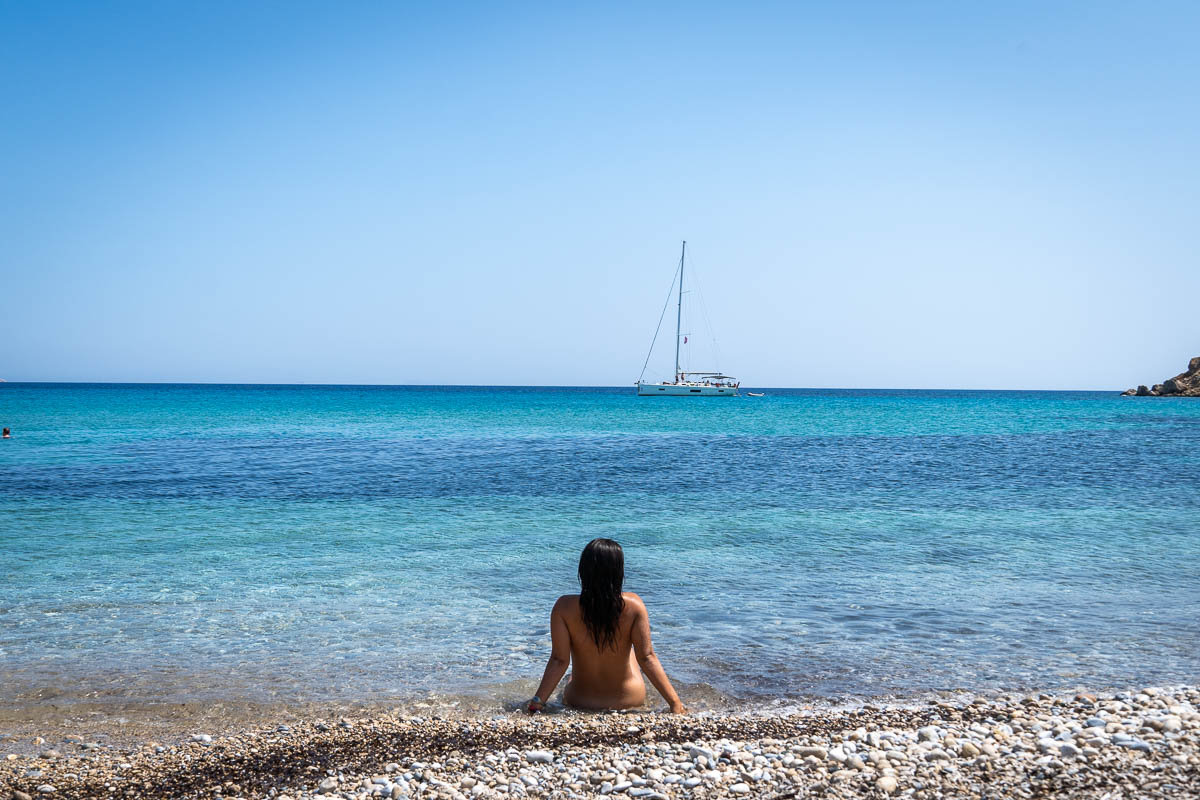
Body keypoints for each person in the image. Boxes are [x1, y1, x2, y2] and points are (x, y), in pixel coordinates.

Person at [527, 538, 686, 714]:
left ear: (583, 570)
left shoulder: (563, 607)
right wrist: (675, 703)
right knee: (633, 650)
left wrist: (537, 703)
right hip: (628, 699)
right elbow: (647, 657)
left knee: (570, 674)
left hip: (579, 700)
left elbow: (559, 660)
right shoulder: (633, 605)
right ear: (619, 571)